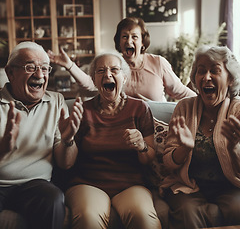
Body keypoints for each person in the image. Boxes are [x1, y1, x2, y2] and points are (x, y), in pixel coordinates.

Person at [63, 51, 162, 229]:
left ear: (124, 78)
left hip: (130, 184)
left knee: (144, 219)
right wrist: (68, 138)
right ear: (94, 80)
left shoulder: (139, 108)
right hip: (88, 183)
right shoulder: (82, 111)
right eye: (101, 71)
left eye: (114, 70)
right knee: (88, 218)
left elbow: (149, 158)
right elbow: (67, 163)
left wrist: (142, 146)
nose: (107, 74)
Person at [0, 41, 83, 229]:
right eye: (30, 67)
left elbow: (66, 163)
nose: (39, 75)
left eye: (45, 68)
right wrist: (2, 150)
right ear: (10, 72)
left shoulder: (56, 101)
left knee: (53, 199)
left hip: (35, 185)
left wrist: (68, 139)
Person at [160, 45, 240, 229]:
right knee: (187, 212)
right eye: (201, 71)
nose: (206, 77)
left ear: (230, 79)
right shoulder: (184, 108)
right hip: (189, 186)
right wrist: (184, 149)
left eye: (215, 71)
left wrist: (235, 149)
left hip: (229, 186)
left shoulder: (237, 111)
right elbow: (168, 162)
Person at [47, 17, 196, 102]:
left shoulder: (158, 63)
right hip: (125, 128)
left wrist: (206, 104)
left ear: (143, 42)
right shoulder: (114, 65)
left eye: (134, 37)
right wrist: (69, 65)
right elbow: (91, 84)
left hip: (156, 126)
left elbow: (181, 92)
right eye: (124, 36)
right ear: (118, 42)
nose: (129, 41)